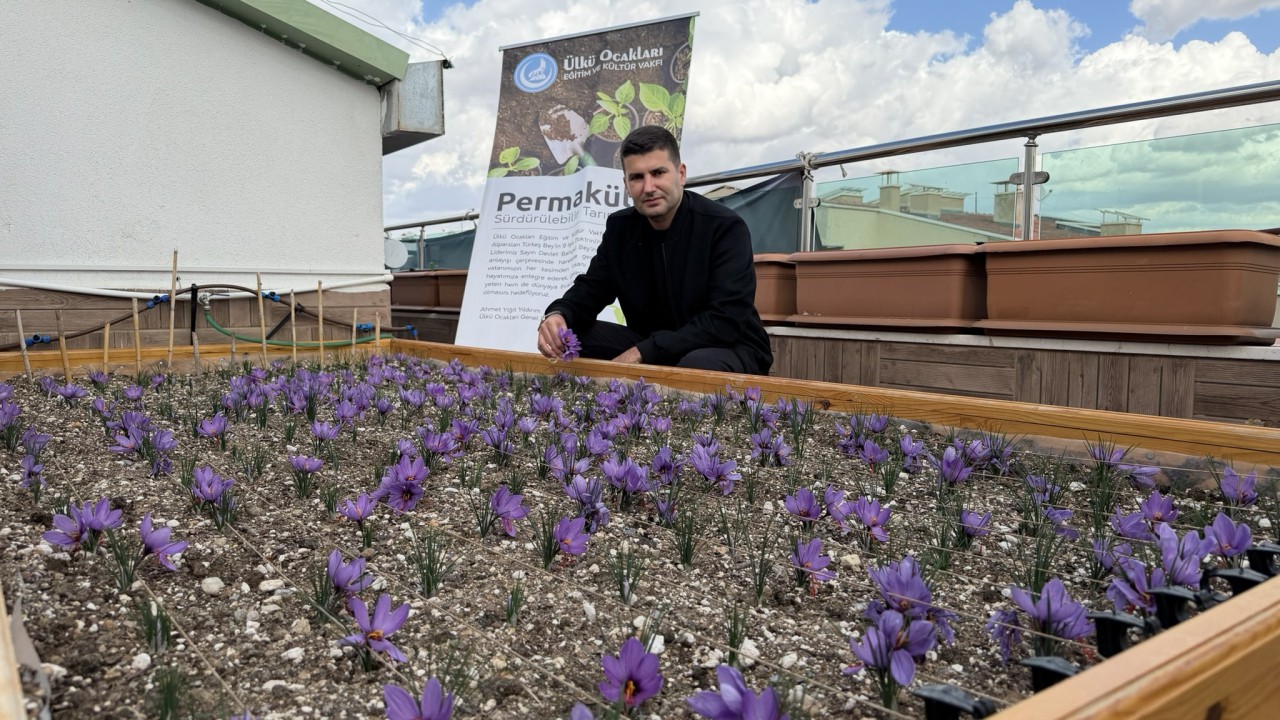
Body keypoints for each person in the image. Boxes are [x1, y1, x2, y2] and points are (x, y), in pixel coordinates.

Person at [536, 126, 773, 375]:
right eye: (637, 177)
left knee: (695, 366)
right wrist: (559, 314)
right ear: (626, 184)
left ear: (681, 174)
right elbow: (592, 288)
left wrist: (642, 352)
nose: (648, 187)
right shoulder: (621, 229)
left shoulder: (724, 227)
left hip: (728, 347)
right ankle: (582, 406)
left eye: (658, 173)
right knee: (569, 337)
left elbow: (725, 319)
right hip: (651, 344)